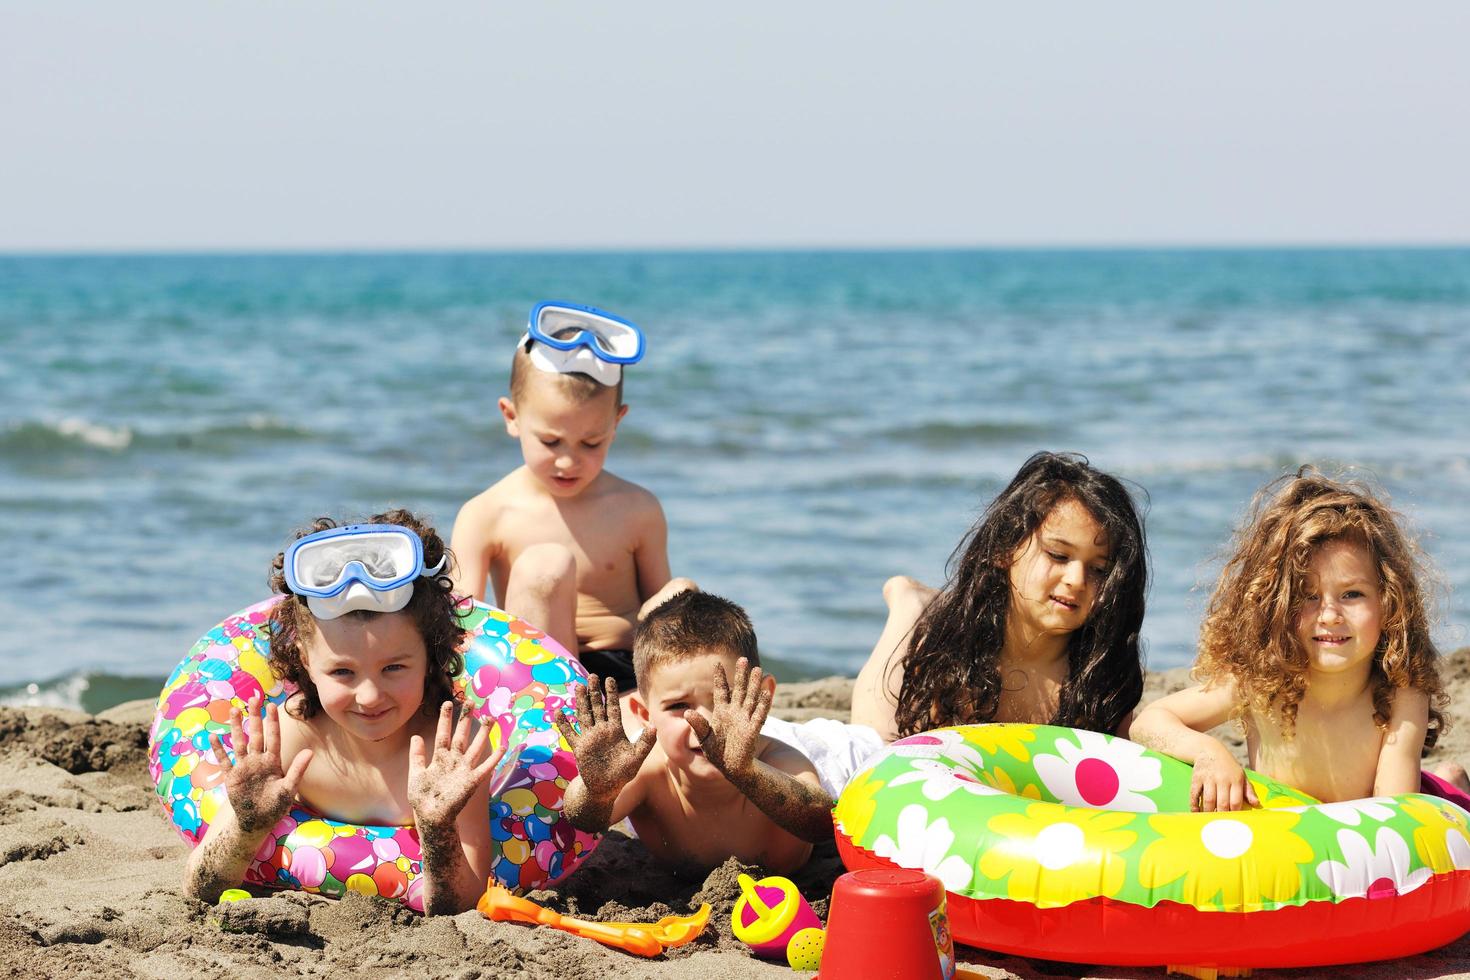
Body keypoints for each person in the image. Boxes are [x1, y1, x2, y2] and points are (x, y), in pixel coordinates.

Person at [182, 511, 504, 915]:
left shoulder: (453, 748)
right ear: (306, 663)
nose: (369, 696)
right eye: (342, 671)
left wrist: (438, 829)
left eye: (394, 668)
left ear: (431, 655)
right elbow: (201, 886)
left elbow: (464, 903)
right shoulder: (289, 736)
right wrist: (247, 825)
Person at [1130, 468, 1466, 811]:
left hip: (1374, 827)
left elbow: (1394, 813)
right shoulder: (1262, 684)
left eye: (1352, 594)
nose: (1330, 614)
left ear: (1390, 600)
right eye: (1308, 596)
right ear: (1273, 607)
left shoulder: (1401, 690)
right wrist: (1209, 750)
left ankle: (1449, 782)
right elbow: (1148, 723)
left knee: (1443, 798)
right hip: (1296, 838)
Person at [451, 301, 693, 700]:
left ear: (617, 423)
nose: (568, 460)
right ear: (511, 416)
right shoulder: (486, 514)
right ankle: (559, 721)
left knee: (682, 590)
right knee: (543, 566)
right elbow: (463, 628)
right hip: (538, 678)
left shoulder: (636, 507)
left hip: (631, 675)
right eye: (550, 441)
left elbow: (660, 614)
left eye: (591, 443)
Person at [554, 590, 872, 874]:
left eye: (725, 698)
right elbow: (585, 819)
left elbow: (819, 823)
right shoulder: (649, 770)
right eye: (678, 705)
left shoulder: (778, 756)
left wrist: (746, 772)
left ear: (763, 697)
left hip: (828, 754)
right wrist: (598, 790)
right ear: (643, 715)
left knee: (876, 732)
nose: (702, 722)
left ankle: (903, 605)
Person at [851, 451, 1149, 741]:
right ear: (1005, 549)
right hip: (935, 636)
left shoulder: (1104, 669)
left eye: (1099, 569)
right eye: (1058, 555)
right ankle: (910, 602)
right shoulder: (953, 641)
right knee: (874, 738)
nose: (1076, 580)